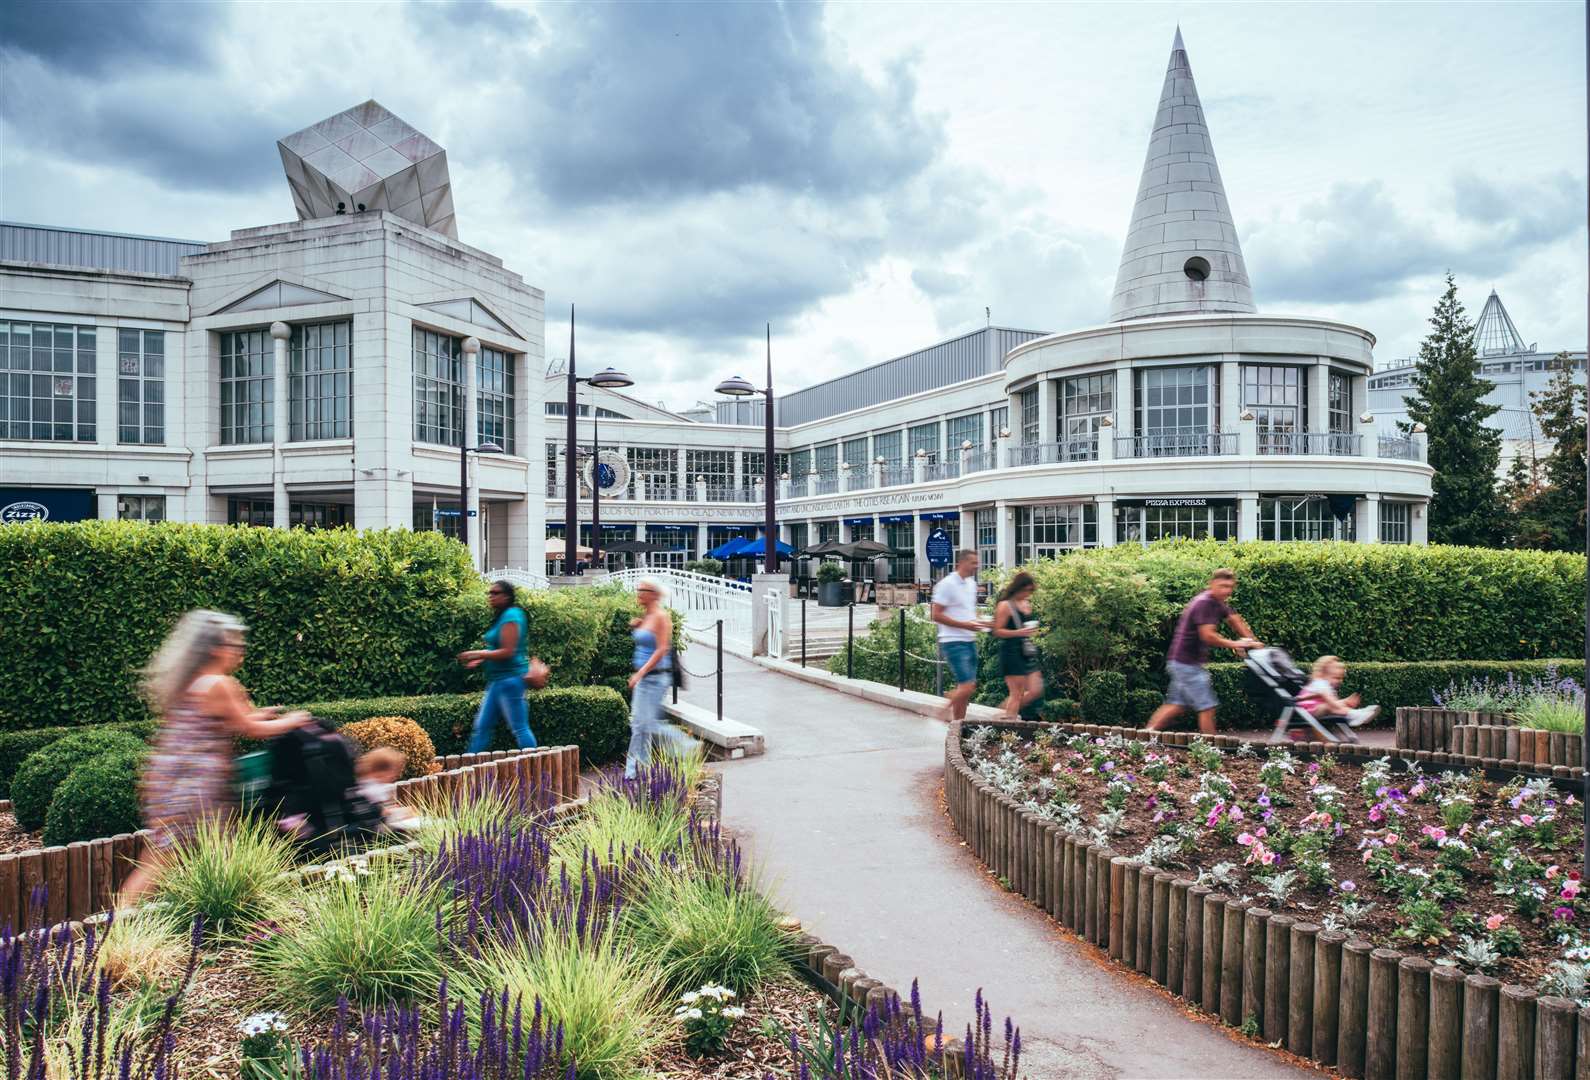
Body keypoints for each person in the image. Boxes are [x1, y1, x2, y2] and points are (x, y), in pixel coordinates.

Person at [122, 610, 314, 903]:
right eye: (235, 645)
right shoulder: (220, 684)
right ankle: (120, 929)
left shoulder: (192, 683)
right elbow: (249, 728)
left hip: (172, 782)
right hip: (195, 787)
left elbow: (233, 720)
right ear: (216, 648)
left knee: (170, 855)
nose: (240, 652)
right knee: (172, 858)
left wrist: (263, 716)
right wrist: (294, 720)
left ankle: (228, 914)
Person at [1146, 568, 1262, 735]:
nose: (1227, 590)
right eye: (1223, 586)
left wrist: (1253, 642)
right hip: (1186, 663)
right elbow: (1207, 636)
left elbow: (1235, 620)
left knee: (1176, 705)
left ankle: (1144, 736)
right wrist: (1235, 644)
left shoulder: (1218, 602)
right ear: (1212, 584)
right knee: (1207, 706)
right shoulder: (1205, 603)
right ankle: (1211, 750)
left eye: (1230, 587)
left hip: (1182, 662)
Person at [458, 581, 541, 753]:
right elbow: (498, 649)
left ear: (507, 596)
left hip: (510, 680)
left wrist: (479, 654)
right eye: (490, 593)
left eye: (496, 593)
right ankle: (469, 771)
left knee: (519, 728)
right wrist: (482, 660)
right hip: (498, 681)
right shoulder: (504, 616)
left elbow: (508, 651)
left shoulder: (511, 616)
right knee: (482, 727)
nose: (491, 596)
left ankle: (536, 770)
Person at [625, 579, 692, 779]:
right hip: (646, 679)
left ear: (653, 593)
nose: (638, 593)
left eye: (642, 590)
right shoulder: (647, 616)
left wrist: (640, 672)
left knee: (644, 724)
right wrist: (638, 626)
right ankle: (637, 770)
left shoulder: (661, 617)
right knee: (639, 725)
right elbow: (647, 640)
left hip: (655, 678)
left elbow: (662, 649)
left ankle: (686, 746)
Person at [931, 549, 989, 724]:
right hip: (953, 641)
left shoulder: (971, 584)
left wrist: (982, 623)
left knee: (965, 689)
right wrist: (966, 625)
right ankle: (942, 709)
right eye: (973, 562)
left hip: (970, 640)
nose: (976, 566)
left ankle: (957, 727)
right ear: (961, 563)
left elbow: (967, 613)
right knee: (967, 686)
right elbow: (936, 615)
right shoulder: (947, 584)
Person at [991, 571, 1043, 719]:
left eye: (1031, 591)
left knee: (1035, 689)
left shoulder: (1026, 603)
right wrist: (1019, 632)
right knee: (1017, 693)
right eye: (1027, 590)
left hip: (1026, 652)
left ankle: (1002, 715)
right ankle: (1008, 725)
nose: (1028, 594)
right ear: (1019, 588)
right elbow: (997, 631)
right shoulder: (1005, 605)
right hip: (1011, 652)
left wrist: (1030, 631)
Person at [1296, 655, 1380, 728]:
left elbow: (1334, 703)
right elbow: (1333, 704)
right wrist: (1345, 703)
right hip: (1305, 712)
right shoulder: (1320, 684)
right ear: (1323, 675)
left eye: (1341, 678)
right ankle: (1354, 715)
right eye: (1335, 678)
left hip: (1314, 710)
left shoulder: (1326, 686)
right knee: (1329, 706)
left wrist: (1346, 701)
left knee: (1331, 706)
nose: (1339, 681)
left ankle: (1356, 714)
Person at [354, 747, 419, 830]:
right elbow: (380, 813)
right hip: (373, 828)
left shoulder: (368, 783)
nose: (395, 776)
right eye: (393, 771)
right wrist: (402, 812)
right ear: (381, 772)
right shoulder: (372, 788)